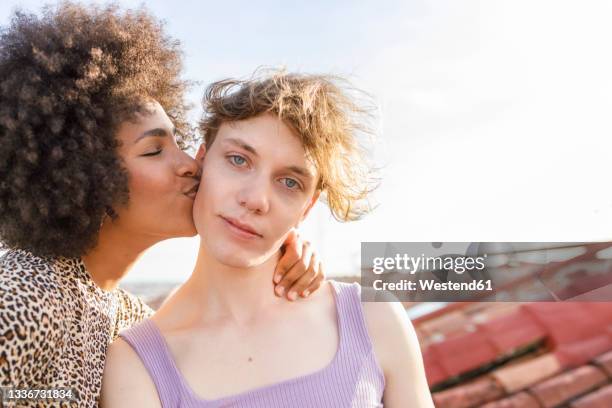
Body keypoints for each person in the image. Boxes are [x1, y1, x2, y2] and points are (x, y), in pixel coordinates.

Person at [0, 4, 323, 407]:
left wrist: (280, 247)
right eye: (154, 151)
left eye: (176, 141)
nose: (189, 165)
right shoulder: (23, 293)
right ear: (79, 174)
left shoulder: (129, 317)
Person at [101, 72, 434, 407]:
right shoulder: (135, 365)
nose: (257, 199)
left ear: (306, 208)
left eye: (289, 182)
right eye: (238, 160)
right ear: (202, 163)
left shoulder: (371, 318)